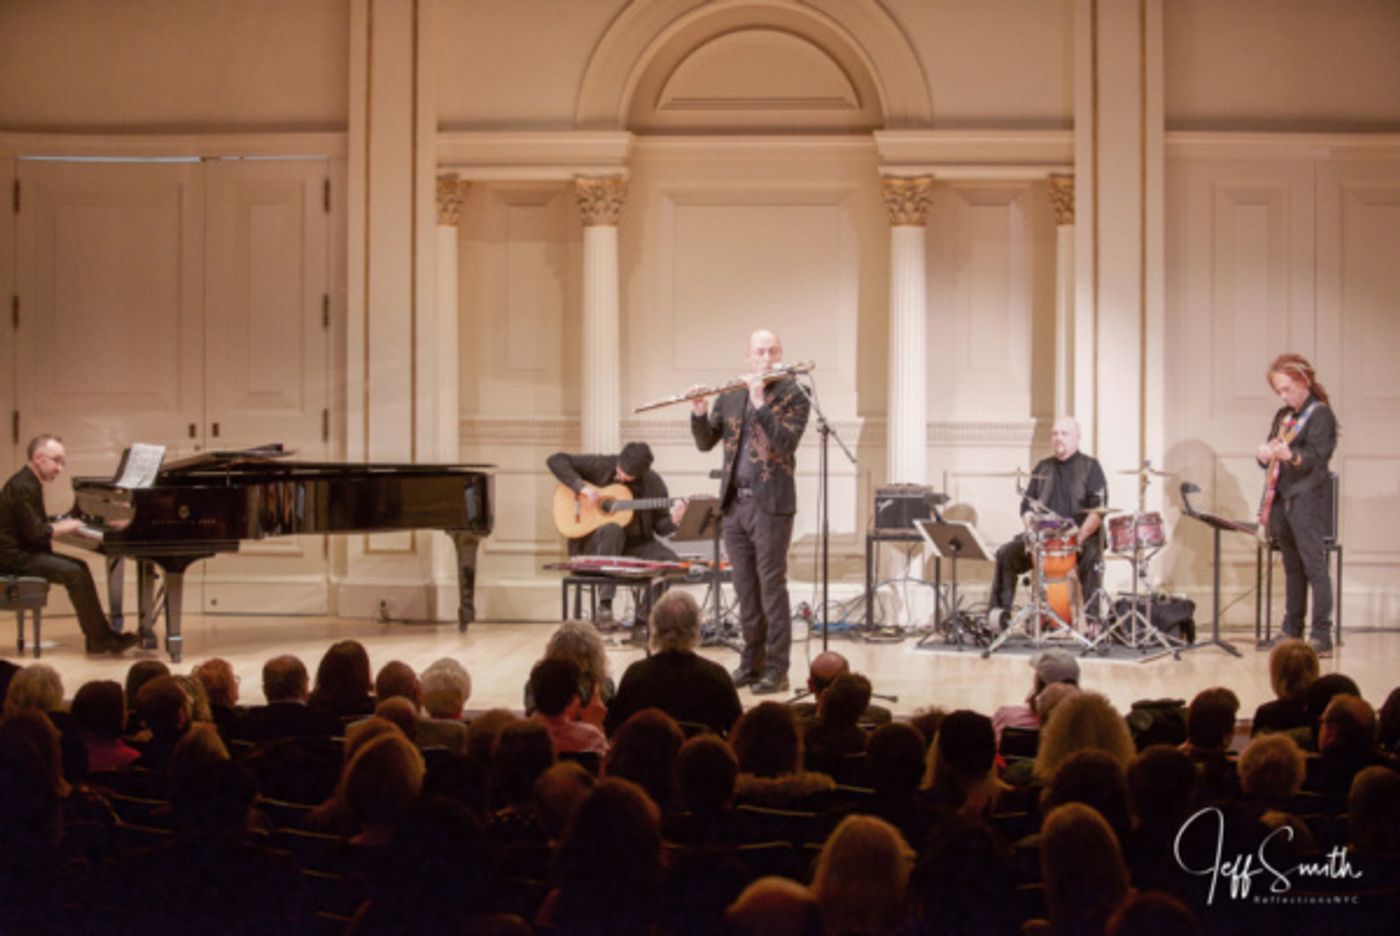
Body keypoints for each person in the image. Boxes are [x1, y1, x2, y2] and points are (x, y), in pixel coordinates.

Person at [690, 329, 810, 694]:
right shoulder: (730, 395)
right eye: (760, 351)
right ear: (749, 356)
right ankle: (751, 663)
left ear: (780, 353)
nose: (766, 357)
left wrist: (760, 402)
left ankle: (778, 668)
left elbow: (785, 444)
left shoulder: (793, 394)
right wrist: (698, 412)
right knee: (745, 587)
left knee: (771, 586)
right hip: (734, 505)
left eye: (772, 350)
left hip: (770, 504)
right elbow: (705, 442)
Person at [0, 435, 137, 654]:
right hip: (14, 558)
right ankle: (100, 639)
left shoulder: (27, 482)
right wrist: (70, 526)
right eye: (56, 460)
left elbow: (34, 525)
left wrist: (67, 524)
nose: (60, 468)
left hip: (22, 552)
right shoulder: (24, 486)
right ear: (38, 458)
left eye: (62, 462)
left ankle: (100, 637)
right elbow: (37, 533)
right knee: (76, 572)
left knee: (79, 568)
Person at [988, 417, 1107, 630]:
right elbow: (1026, 507)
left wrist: (1076, 538)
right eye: (1055, 433)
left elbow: (1098, 511)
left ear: (1077, 437)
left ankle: (1093, 623)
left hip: (1079, 537)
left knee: (1091, 556)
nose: (1058, 438)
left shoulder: (1090, 467)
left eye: (1064, 433)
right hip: (1044, 540)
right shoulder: (1043, 467)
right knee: (1005, 554)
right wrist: (1030, 528)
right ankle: (998, 620)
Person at [547, 441, 683, 625]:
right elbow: (556, 460)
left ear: (640, 474)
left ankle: (643, 618)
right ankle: (605, 607)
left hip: (635, 546)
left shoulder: (654, 484)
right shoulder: (603, 465)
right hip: (594, 546)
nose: (618, 477)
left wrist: (675, 520)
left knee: (672, 563)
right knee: (613, 529)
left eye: (625, 476)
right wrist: (582, 488)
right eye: (618, 471)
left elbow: (661, 526)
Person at [1256, 352, 1338, 655]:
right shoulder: (1283, 416)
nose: (1283, 395)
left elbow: (1319, 458)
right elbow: (1271, 451)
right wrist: (1264, 454)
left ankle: (1321, 635)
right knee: (1292, 568)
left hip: (1307, 499)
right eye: (1279, 391)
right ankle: (1291, 630)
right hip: (1282, 498)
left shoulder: (1320, 415)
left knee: (1314, 567)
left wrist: (1292, 456)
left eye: (1287, 388)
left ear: (1303, 381)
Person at [603, 590, 742, 737]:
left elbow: (614, 732)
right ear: (696, 628)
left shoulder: (636, 676)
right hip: (701, 759)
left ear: (654, 626)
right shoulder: (716, 677)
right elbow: (739, 734)